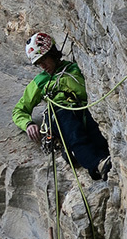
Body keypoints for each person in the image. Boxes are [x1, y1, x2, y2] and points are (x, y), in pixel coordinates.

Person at [12, 32, 112, 180]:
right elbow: (19, 110)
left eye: (44, 59)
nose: (43, 66)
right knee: (70, 125)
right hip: (60, 113)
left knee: (93, 126)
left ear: (52, 53)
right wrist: (27, 123)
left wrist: (62, 81)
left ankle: (102, 160)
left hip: (82, 109)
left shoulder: (74, 69)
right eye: (39, 63)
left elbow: (83, 92)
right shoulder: (40, 81)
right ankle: (96, 164)